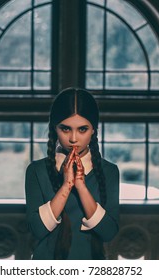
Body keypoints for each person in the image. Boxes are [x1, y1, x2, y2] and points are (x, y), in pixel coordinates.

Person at [25, 87, 120, 260]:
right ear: (55, 128)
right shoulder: (36, 171)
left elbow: (109, 233)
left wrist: (81, 187)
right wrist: (66, 186)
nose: (73, 138)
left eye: (82, 129)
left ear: (93, 130)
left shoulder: (109, 171)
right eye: (66, 129)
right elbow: (37, 230)